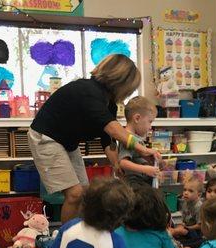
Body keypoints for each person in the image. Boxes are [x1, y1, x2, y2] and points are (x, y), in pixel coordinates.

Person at [28, 54, 160, 223]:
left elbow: (107, 138)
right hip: (46, 137)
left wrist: (116, 163)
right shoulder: (89, 91)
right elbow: (114, 130)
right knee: (74, 194)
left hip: (66, 142)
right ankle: (66, 239)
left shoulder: (108, 102)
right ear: (121, 82)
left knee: (84, 192)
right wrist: (143, 149)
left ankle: (80, 233)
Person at [118, 96, 159, 186]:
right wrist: (145, 169)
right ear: (137, 118)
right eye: (150, 121)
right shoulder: (128, 138)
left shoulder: (135, 137)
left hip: (140, 181)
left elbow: (136, 157)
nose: (150, 126)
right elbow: (123, 163)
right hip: (134, 183)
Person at [169, 177, 204, 248]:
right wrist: (182, 225)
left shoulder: (199, 206)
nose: (186, 193)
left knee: (179, 233)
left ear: (199, 195)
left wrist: (187, 228)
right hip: (188, 228)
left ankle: (180, 244)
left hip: (197, 233)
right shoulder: (185, 202)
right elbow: (184, 218)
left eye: (190, 191)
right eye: (185, 190)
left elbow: (200, 226)